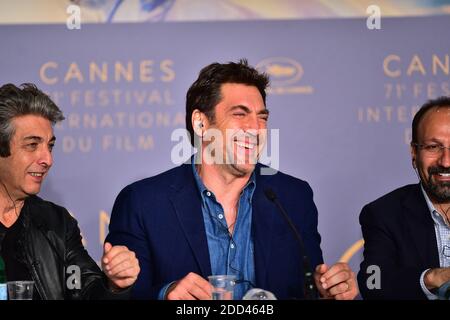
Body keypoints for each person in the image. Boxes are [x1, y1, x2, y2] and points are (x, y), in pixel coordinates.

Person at [106, 59, 358, 300]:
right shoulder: (142, 202)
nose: (256, 128)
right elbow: (121, 295)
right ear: (201, 123)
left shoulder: (293, 197)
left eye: (262, 117)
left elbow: (310, 287)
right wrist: (166, 294)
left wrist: (330, 291)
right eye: (240, 114)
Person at [0, 83, 140, 300]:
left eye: (50, 146)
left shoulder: (56, 223)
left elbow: (82, 289)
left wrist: (114, 286)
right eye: (32, 145)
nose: (47, 159)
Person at [358, 96, 450, 299]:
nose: (446, 161)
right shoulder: (383, 213)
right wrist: (431, 278)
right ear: (414, 152)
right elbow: (373, 283)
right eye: (433, 147)